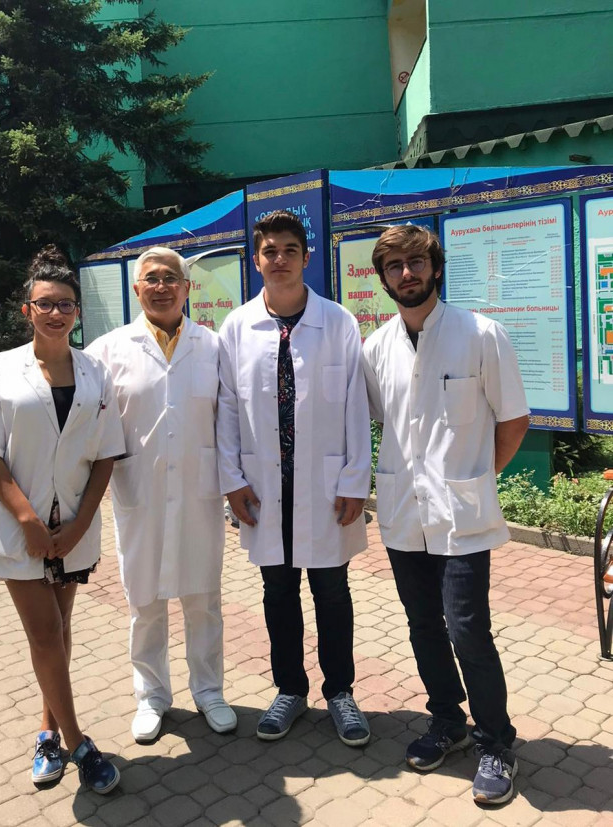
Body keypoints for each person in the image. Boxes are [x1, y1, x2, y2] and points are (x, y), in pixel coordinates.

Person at [362, 224, 530, 806]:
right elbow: (380, 420)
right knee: (422, 626)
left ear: (435, 268)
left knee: (467, 630)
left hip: (462, 517)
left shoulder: (481, 334)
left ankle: (496, 742)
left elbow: (513, 420)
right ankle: (447, 721)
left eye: (416, 262)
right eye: (394, 266)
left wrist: (479, 477)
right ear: (384, 279)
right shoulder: (376, 348)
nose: (406, 273)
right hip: (404, 514)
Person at [0, 246, 124, 794]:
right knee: (46, 633)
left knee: (58, 631)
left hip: (71, 526)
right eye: (45, 304)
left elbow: (106, 454)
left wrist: (79, 525)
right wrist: (28, 519)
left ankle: (46, 734)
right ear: (26, 309)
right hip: (20, 528)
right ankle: (79, 745)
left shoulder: (95, 371)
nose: (56, 313)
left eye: (66, 305)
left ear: (77, 312)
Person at [216, 211, 372, 746]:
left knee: (332, 592)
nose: (279, 259)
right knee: (277, 592)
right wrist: (232, 478)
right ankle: (289, 690)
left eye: (288, 250)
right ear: (256, 261)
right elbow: (226, 408)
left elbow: (355, 406)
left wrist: (354, 480)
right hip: (264, 487)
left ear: (306, 257)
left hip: (324, 487)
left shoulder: (338, 322)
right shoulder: (237, 327)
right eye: (269, 251)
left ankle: (341, 692)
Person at [85, 247, 236, 743]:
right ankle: (151, 695)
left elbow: (234, 418)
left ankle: (209, 691)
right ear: (137, 289)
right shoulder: (108, 351)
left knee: (203, 599)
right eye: (151, 278)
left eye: (171, 277)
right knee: (144, 603)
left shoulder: (212, 346)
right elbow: (66, 395)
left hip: (199, 494)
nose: (162, 286)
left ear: (187, 288)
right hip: (140, 494)